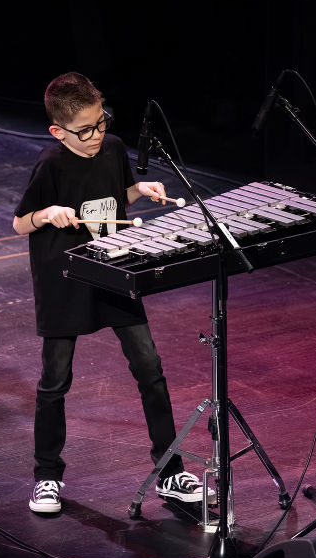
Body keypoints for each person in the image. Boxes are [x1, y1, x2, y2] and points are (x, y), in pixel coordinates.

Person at [13, 72, 213, 513]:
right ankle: (47, 476)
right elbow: (20, 222)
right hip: (64, 281)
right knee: (55, 381)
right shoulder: (50, 164)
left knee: (150, 369)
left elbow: (113, 197)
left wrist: (139, 189)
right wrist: (48, 213)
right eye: (84, 130)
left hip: (114, 272)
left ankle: (170, 471)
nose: (94, 135)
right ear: (58, 131)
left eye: (100, 123)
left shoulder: (114, 147)